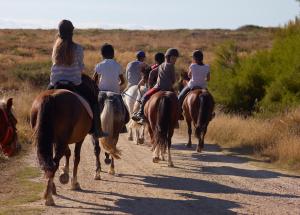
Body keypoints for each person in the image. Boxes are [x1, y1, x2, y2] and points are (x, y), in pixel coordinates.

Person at [48, 19, 107, 138]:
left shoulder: (55, 47)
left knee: (43, 101)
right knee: (93, 100)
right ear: (72, 32)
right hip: (74, 82)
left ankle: (36, 128)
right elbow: (80, 67)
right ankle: (97, 130)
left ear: (59, 32)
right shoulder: (78, 48)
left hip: (55, 82)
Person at [132, 48, 179, 123]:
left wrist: (150, 86)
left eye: (175, 59)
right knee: (176, 100)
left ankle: (140, 113)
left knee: (145, 97)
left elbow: (151, 73)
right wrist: (172, 82)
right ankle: (177, 116)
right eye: (174, 58)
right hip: (168, 88)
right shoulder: (171, 66)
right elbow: (173, 79)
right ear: (168, 57)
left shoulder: (161, 65)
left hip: (158, 87)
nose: (175, 60)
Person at [93, 43, 128, 133]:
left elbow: (94, 80)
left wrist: (98, 86)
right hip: (115, 92)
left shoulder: (99, 65)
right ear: (113, 54)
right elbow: (123, 81)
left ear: (102, 54)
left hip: (101, 92)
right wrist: (117, 85)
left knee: (93, 108)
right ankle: (123, 125)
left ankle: (93, 125)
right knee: (124, 109)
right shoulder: (117, 65)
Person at [178, 50, 210, 120]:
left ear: (195, 58)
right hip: (203, 87)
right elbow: (208, 79)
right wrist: (202, 79)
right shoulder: (207, 67)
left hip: (192, 85)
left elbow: (189, 76)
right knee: (211, 99)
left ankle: (179, 113)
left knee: (180, 97)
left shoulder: (192, 65)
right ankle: (210, 113)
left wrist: (195, 77)